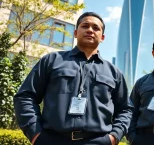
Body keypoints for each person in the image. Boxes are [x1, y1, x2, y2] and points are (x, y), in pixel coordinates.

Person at [14, 12, 132, 145]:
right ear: (75, 33)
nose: (90, 30)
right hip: (52, 140)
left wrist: (113, 137)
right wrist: (35, 134)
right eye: (85, 26)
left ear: (102, 37)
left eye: (95, 28)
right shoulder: (52, 60)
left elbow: (125, 109)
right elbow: (25, 96)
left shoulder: (114, 72)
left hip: (98, 141)